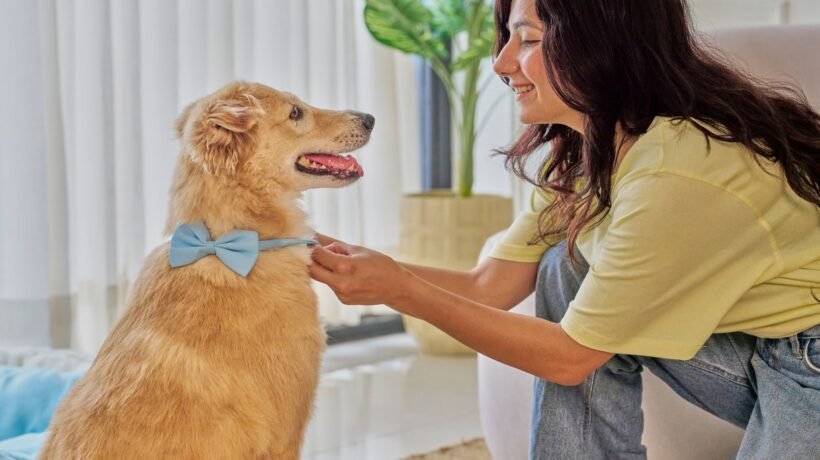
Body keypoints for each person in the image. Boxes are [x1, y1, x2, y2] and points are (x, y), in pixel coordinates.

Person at [309, 0, 820, 458]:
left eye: (528, 40)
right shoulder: (590, 153)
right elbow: (489, 287)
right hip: (764, 351)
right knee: (565, 262)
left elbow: (571, 357)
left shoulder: (676, 171)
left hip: (810, 364)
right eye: (508, 38)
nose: (503, 62)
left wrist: (401, 291)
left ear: (602, 44)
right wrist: (343, 261)